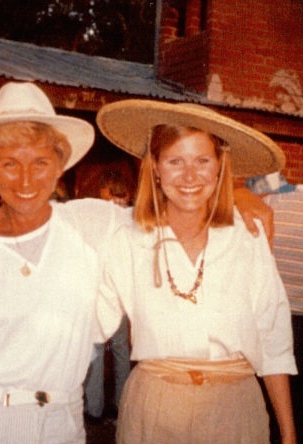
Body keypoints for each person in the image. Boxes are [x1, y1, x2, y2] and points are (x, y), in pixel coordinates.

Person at [0, 82, 275, 444]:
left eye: (40, 162)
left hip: (63, 425)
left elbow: (173, 206)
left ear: (60, 166)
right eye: (9, 163)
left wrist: (238, 193)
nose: (26, 179)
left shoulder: (91, 223)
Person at [95, 99, 297, 443]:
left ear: (220, 168)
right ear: (155, 167)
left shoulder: (247, 235)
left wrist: (289, 436)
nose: (190, 176)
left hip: (234, 410)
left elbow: (274, 340)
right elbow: (91, 324)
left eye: (202, 161)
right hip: (154, 408)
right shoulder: (125, 236)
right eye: (175, 161)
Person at [246, 172, 303, 442]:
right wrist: (239, 194)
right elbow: (230, 192)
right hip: (271, 315)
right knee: (270, 394)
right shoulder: (279, 184)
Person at [84, 170, 132, 423]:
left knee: (96, 349)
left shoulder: (100, 216)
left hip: (99, 292)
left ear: (107, 189)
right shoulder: (131, 216)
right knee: (121, 351)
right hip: (122, 294)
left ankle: (93, 408)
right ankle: (120, 405)